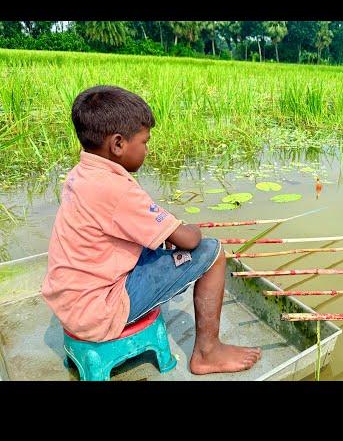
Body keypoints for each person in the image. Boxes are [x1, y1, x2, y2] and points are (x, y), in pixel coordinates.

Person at [42, 85, 261, 374]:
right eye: (144, 142)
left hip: (71, 304)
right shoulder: (117, 190)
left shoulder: (81, 174)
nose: (147, 149)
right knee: (212, 252)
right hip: (100, 311)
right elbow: (190, 239)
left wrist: (164, 232)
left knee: (158, 243)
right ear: (118, 144)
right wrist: (184, 228)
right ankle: (208, 352)